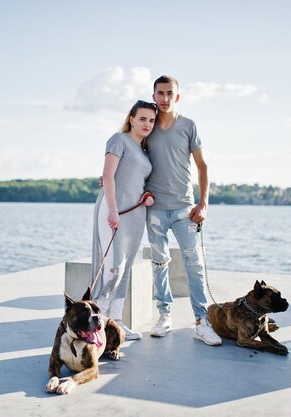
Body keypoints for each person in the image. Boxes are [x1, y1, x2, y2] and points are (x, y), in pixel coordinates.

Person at [145, 75, 222, 345]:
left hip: (184, 210)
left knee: (195, 265)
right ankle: (164, 316)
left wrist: (204, 203)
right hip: (154, 211)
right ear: (153, 95)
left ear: (177, 97)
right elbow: (128, 155)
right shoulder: (147, 125)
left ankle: (201, 322)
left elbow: (203, 167)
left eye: (169, 93)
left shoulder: (188, 126)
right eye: (160, 93)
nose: (164, 98)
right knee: (159, 263)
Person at [91, 100, 156, 340]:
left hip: (136, 215)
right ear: (132, 118)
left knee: (125, 268)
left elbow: (138, 181)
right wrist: (112, 210)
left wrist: (147, 196)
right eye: (142, 119)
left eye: (151, 120)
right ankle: (98, 324)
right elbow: (108, 175)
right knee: (111, 266)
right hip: (114, 210)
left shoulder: (145, 150)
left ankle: (116, 322)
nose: (147, 124)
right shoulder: (119, 140)